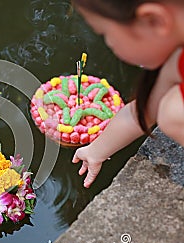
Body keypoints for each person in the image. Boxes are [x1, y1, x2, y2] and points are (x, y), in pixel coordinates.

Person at [70, 0, 184, 188]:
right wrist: (95, 151)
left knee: (172, 113)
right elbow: (144, 110)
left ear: (153, 20)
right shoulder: (177, 61)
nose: (108, 43)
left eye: (104, 34)